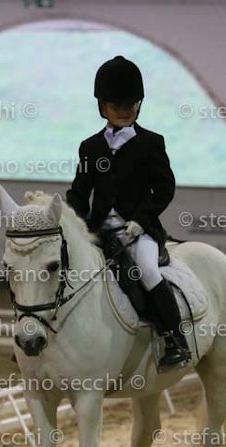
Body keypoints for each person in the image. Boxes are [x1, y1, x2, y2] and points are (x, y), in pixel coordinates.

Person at [66, 55, 191, 369]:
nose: (124, 110)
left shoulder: (151, 143)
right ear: (102, 106)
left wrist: (140, 220)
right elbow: (79, 192)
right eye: (117, 105)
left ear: (139, 105)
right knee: (66, 267)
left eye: (130, 104)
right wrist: (72, 222)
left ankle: (175, 339)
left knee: (147, 270)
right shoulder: (90, 147)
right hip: (99, 230)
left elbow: (164, 188)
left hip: (139, 231)